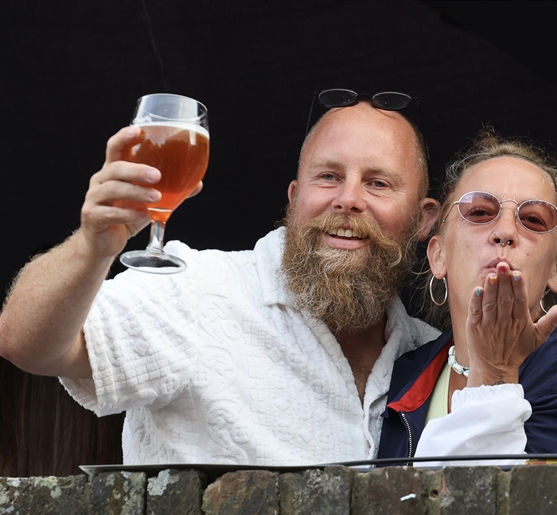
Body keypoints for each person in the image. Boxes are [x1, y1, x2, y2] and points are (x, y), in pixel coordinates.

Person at [0, 90, 443, 465]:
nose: (348, 199)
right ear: (294, 199)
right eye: (328, 177)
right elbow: (26, 343)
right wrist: (91, 246)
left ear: (423, 221)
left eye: (378, 184)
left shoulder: (435, 354)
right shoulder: (197, 289)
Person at [378, 130, 557, 464]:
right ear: (438, 256)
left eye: (533, 220)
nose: (506, 232)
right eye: (480, 212)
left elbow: (509, 511)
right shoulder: (403, 373)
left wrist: (496, 371)